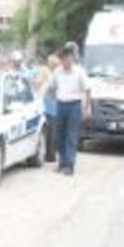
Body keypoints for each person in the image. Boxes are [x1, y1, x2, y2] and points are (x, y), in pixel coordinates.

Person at [49, 45, 92, 176]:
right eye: (62, 59)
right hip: (61, 105)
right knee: (60, 135)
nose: (65, 61)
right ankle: (62, 163)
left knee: (71, 136)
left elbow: (88, 89)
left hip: (74, 105)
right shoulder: (57, 71)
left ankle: (69, 165)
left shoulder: (79, 72)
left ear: (71, 58)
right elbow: (52, 87)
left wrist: (86, 107)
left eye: (67, 58)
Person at [40, 54, 61, 162]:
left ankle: (50, 154)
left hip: (51, 105)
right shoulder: (47, 73)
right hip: (49, 105)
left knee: (51, 131)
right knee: (51, 131)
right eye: (56, 64)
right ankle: (50, 155)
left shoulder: (51, 74)